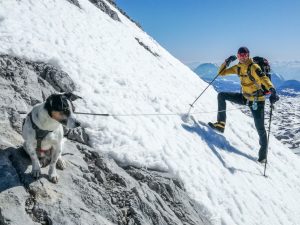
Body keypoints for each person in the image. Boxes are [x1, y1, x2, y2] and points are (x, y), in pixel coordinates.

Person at [208, 47, 279, 163]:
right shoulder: (238, 67)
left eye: (244, 55)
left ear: (248, 55)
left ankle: (263, 157)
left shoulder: (254, 67)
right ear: (238, 56)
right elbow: (221, 73)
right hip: (245, 97)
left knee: (260, 128)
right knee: (221, 95)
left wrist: (272, 90)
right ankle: (220, 125)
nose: (242, 57)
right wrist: (226, 61)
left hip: (257, 101)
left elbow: (263, 78)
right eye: (240, 55)